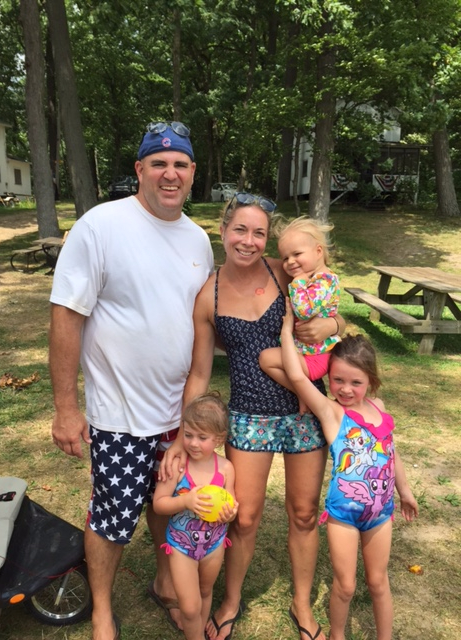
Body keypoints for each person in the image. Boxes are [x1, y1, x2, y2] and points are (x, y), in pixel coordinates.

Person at [49, 121, 214, 640]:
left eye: (180, 164)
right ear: (140, 169)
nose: (170, 174)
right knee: (113, 517)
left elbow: (204, 319)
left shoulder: (198, 239)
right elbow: (66, 315)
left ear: (192, 172)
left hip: (178, 413)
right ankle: (102, 610)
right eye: (159, 163)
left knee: (171, 505)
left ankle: (166, 583)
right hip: (119, 412)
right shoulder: (101, 226)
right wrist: (66, 408)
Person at [161, 192, 346, 640]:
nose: (249, 240)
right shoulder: (208, 296)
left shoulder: (284, 271)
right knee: (243, 517)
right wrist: (182, 437)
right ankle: (230, 600)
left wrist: (335, 325)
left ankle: (301, 602)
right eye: (240, 230)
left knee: (304, 514)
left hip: (303, 409)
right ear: (223, 231)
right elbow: (200, 372)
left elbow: (330, 310)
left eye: (259, 233)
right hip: (247, 415)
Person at [280, 307, 418, 640]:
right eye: (337, 380)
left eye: (356, 382)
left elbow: (391, 451)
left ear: (371, 381)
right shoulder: (331, 412)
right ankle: (338, 634)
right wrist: (286, 331)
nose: (345, 389)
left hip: (381, 513)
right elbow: (297, 378)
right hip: (344, 515)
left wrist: (405, 491)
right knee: (345, 585)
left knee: (378, 582)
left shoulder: (379, 408)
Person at [153, 393, 238, 640]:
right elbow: (159, 503)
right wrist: (185, 501)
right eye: (188, 434)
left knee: (204, 591)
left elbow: (232, 506)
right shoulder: (178, 466)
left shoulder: (225, 469)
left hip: (214, 544)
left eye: (202, 437)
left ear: (219, 438)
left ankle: (197, 631)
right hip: (181, 546)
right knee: (189, 608)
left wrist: (230, 514)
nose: (193, 443)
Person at [259, 216, 341, 398]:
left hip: (316, 358)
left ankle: (306, 395)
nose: (290, 262)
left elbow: (304, 311)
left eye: (297, 254)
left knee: (266, 359)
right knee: (267, 359)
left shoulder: (325, 281)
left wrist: (297, 282)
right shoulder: (314, 279)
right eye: (285, 258)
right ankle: (304, 394)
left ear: (318, 251)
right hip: (308, 353)